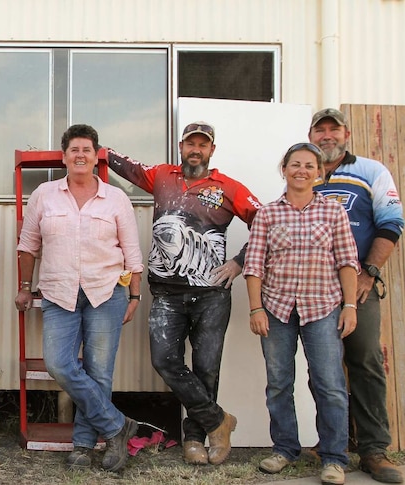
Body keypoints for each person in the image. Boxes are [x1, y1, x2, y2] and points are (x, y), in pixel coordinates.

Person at [106, 121, 261, 465]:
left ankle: (195, 440)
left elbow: (266, 222)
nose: (196, 149)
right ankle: (219, 421)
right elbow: (124, 165)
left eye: (202, 145)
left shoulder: (228, 187)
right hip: (165, 294)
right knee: (164, 361)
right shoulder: (162, 175)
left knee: (206, 368)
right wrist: (92, 147)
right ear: (181, 146)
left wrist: (239, 262)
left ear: (212, 150)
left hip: (212, 294)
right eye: (191, 143)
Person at [15, 124, 143, 472]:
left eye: (87, 149)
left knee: (99, 372)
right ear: (64, 156)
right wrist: (25, 286)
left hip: (107, 292)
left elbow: (132, 252)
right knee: (60, 364)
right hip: (59, 292)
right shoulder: (45, 194)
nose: (81, 155)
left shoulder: (115, 197)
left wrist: (134, 295)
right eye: (74, 150)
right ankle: (117, 426)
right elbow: (28, 245)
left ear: (96, 155)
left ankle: (84, 445)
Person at [244, 142, 359, 485]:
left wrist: (350, 306)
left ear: (319, 173)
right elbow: (254, 266)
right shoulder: (267, 214)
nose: (302, 171)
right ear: (285, 169)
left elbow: (347, 261)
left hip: (322, 308)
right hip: (277, 309)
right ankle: (285, 449)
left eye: (310, 165)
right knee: (279, 384)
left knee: (330, 385)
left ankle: (334, 459)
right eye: (296, 164)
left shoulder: (333, 212)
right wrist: (256, 308)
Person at [309, 108, 405, 484]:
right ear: (311, 135)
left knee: (364, 363)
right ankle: (330, 445)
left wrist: (368, 273)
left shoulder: (371, 170)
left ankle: (373, 450)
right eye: (321, 129)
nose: (327, 135)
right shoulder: (304, 173)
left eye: (334, 129)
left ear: (346, 134)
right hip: (315, 289)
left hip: (360, 287)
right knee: (321, 368)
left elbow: (391, 223)